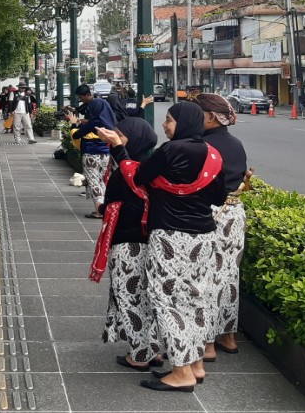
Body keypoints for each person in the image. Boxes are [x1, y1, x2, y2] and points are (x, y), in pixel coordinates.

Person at [96, 101, 227, 392]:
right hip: (204, 237)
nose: (165, 126)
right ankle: (196, 365)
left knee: (169, 301)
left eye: (168, 120)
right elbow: (218, 197)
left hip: (170, 236)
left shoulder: (171, 151)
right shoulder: (212, 154)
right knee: (196, 300)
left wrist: (118, 147)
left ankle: (181, 373)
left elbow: (137, 176)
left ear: (181, 123)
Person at [91, 117, 162, 370]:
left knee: (129, 296)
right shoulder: (148, 165)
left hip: (129, 242)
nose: (115, 138)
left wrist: (105, 206)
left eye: (120, 135)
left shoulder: (133, 170)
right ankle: (152, 348)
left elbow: (125, 200)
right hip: (146, 240)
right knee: (145, 297)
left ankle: (141, 353)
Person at [194, 92, 250, 360]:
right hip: (235, 214)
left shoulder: (203, 146)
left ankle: (207, 343)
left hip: (211, 214)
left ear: (209, 117)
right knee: (228, 275)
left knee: (205, 276)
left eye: (197, 114)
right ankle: (228, 335)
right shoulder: (236, 143)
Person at [71, 84, 116, 218]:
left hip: (91, 154)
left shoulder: (94, 122)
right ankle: (106, 207)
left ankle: (99, 210)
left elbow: (76, 135)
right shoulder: (108, 121)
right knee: (101, 180)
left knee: (93, 181)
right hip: (105, 154)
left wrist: (74, 123)